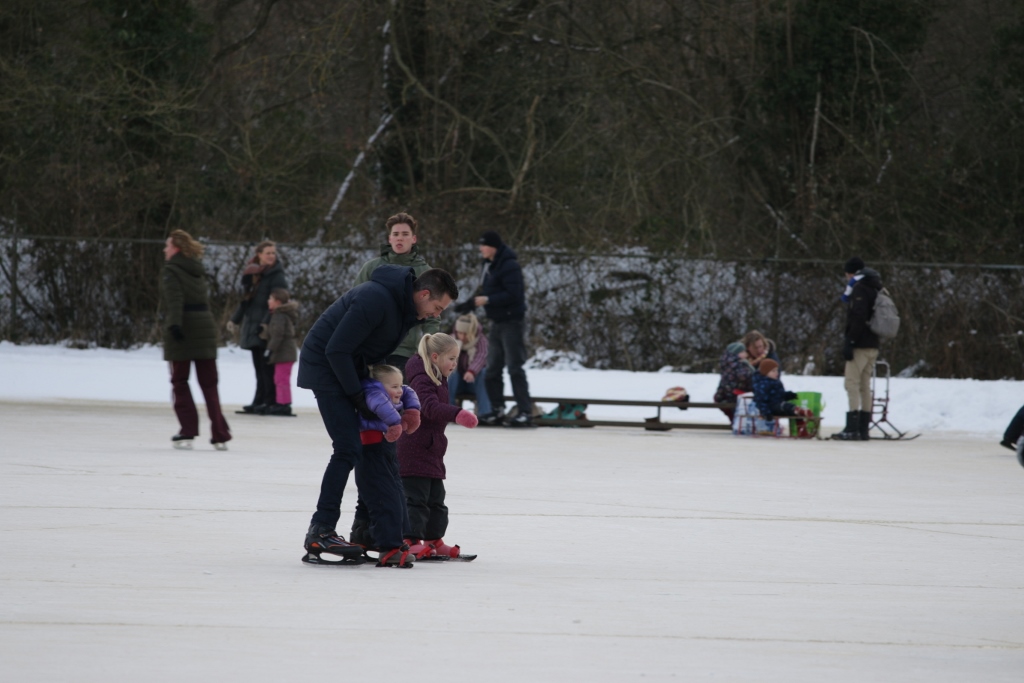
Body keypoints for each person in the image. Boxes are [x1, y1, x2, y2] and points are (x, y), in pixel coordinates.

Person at [297, 265, 458, 567]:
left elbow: (374, 354)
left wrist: (388, 394)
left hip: (350, 371)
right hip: (326, 370)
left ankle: (370, 532)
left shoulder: (402, 310)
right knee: (347, 448)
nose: (436, 315)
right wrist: (359, 397)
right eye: (437, 307)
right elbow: (336, 350)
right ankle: (321, 530)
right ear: (424, 294)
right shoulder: (376, 298)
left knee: (374, 447)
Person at [398, 333, 479, 561]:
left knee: (436, 500)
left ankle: (434, 540)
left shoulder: (437, 376)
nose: (455, 364)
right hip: (413, 449)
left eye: (456, 359)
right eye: (451, 358)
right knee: (416, 499)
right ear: (435, 357)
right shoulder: (422, 379)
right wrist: (457, 413)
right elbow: (429, 407)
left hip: (431, 448)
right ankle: (410, 541)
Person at [455, 230, 534, 427]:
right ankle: (497, 409)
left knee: (514, 367)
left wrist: (488, 299)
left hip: (512, 322)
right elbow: (486, 291)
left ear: (494, 247)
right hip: (497, 321)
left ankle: (525, 411)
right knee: (492, 369)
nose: (481, 248)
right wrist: (469, 304)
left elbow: (514, 293)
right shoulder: (488, 265)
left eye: (484, 245)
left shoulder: (509, 265)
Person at [161, 230, 231, 451]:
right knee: (209, 384)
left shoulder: (171, 270)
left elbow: (175, 300)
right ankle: (220, 434)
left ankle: (187, 430)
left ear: (176, 248)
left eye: (167, 246)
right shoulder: (197, 269)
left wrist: (174, 325)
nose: (165, 250)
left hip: (184, 328)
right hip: (205, 327)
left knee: (179, 381)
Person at [352, 213, 440, 376]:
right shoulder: (371, 268)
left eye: (405, 234)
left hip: (404, 351)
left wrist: (430, 344)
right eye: (396, 234)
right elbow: (354, 306)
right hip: (371, 349)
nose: (400, 238)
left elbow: (432, 316)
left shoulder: (425, 272)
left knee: (398, 392)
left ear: (413, 239)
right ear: (389, 238)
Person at [229, 240, 288, 414]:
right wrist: (234, 320)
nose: (271, 256)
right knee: (259, 367)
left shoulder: (277, 275)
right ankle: (259, 400)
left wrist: (265, 324)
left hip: (265, 328)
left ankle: (269, 401)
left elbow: (278, 303)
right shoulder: (254, 273)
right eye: (268, 253)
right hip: (252, 324)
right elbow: (246, 301)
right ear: (259, 255)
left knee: (266, 367)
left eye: (273, 253)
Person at [833, 256, 882, 441]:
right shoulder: (875, 286)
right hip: (873, 343)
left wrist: (850, 341)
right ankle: (863, 429)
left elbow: (858, 317)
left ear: (850, 273)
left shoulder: (860, 288)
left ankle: (852, 427)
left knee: (851, 383)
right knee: (864, 385)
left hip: (860, 344)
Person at [258, 288, 299, 416]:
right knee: (279, 379)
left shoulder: (279, 315)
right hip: (283, 353)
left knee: (282, 380)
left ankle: (284, 405)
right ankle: (281, 403)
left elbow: (277, 335)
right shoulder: (278, 314)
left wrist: (269, 350)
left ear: (278, 301)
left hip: (284, 353)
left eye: (271, 299)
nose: (268, 301)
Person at [751, 359, 813, 436]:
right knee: (785, 406)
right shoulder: (762, 384)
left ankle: (802, 430)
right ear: (765, 372)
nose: (776, 373)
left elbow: (779, 395)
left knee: (793, 412)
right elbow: (760, 400)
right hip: (770, 408)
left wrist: (787, 395)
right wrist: (766, 412)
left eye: (777, 370)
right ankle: (798, 410)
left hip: (778, 405)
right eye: (773, 371)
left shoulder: (776, 382)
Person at [448, 313, 492, 416]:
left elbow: (481, 357)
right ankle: (449, 410)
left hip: (475, 383)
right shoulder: (450, 340)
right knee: (451, 372)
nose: (463, 337)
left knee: (483, 373)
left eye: (466, 334)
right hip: (456, 383)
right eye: (460, 333)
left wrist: (472, 371)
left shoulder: (481, 340)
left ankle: (485, 413)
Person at [713, 342, 755, 421]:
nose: (746, 354)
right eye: (743, 351)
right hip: (736, 396)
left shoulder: (726, 363)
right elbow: (744, 377)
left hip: (725, 394)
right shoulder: (739, 365)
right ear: (737, 353)